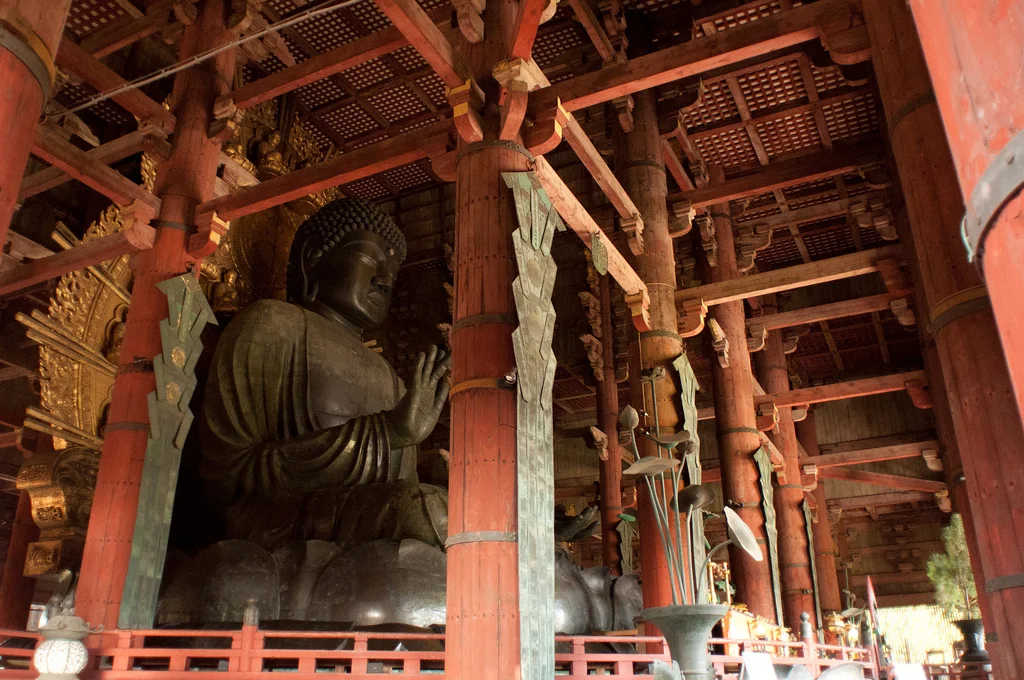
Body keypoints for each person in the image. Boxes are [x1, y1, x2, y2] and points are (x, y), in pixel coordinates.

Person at [199, 198, 450, 551]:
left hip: (365, 524)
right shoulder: (272, 324)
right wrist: (387, 433)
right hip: (280, 524)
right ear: (313, 257)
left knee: (456, 515)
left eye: (392, 270)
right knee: (429, 513)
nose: (385, 280)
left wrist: (400, 439)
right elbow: (228, 480)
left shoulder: (391, 377)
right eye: (372, 260)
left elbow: (395, 491)